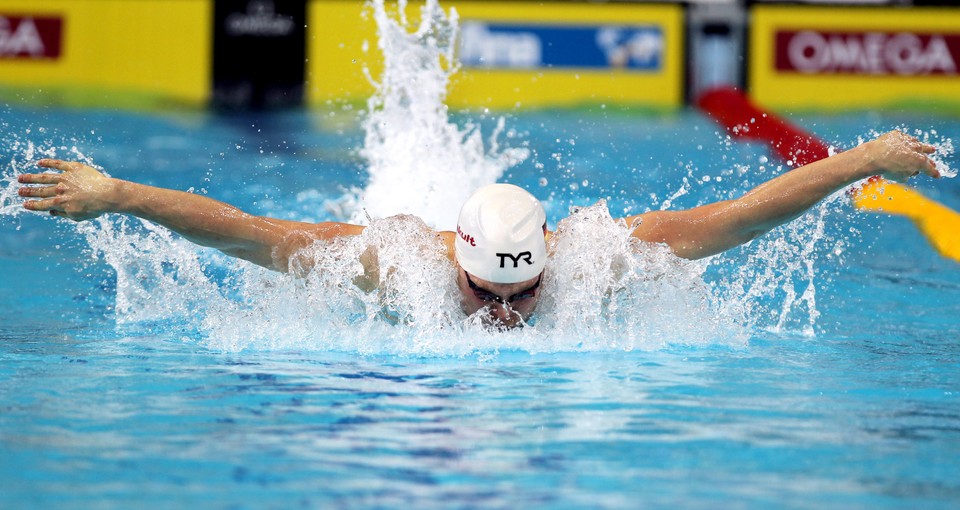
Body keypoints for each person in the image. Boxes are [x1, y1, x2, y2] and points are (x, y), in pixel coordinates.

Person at [17, 130, 940, 328]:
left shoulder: (595, 259)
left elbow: (738, 220)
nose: (503, 316)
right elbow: (251, 232)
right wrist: (122, 193)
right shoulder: (396, 264)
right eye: (484, 294)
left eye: (521, 294)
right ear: (456, 259)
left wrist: (859, 162)